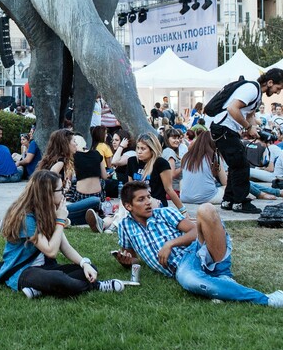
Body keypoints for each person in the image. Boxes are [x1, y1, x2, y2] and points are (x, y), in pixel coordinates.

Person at [116, 181, 283, 307]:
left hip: (192, 252)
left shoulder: (163, 213)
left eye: (149, 197)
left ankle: (266, 299)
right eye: (141, 199)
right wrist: (126, 261)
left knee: (206, 209)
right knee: (190, 280)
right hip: (180, 267)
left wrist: (170, 244)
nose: (148, 202)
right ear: (128, 206)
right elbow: (133, 258)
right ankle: (222, 280)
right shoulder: (125, 227)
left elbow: (195, 231)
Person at [0, 169, 124, 299]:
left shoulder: (49, 211)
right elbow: (51, 251)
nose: (64, 193)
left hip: (46, 267)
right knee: (59, 279)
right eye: (60, 190)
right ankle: (96, 286)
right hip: (23, 271)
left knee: (90, 268)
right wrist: (60, 221)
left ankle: (39, 289)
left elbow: (65, 247)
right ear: (48, 194)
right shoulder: (26, 218)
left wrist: (84, 264)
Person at [209, 68, 283, 214]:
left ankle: (228, 200)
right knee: (242, 166)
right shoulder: (251, 89)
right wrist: (248, 127)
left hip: (225, 130)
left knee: (236, 164)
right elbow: (232, 109)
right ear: (269, 82)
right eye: (277, 88)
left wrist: (255, 127)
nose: (277, 92)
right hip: (224, 128)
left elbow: (248, 114)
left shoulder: (256, 94)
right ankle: (240, 202)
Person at [126, 133, 185, 212]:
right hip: (137, 202)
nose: (139, 152)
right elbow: (130, 187)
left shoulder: (160, 163)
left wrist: (182, 210)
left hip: (156, 202)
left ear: (152, 150)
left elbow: (169, 189)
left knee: (149, 202)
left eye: (143, 149)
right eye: (138, 148)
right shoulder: (132, 161)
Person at [161, 128, 188, 192]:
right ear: (167, 139)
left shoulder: (168, 151)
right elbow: (172, 174)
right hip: (175, 190)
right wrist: (184, 164)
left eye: (178, 138)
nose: (177, 140)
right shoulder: (169, 152)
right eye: (174, 138)